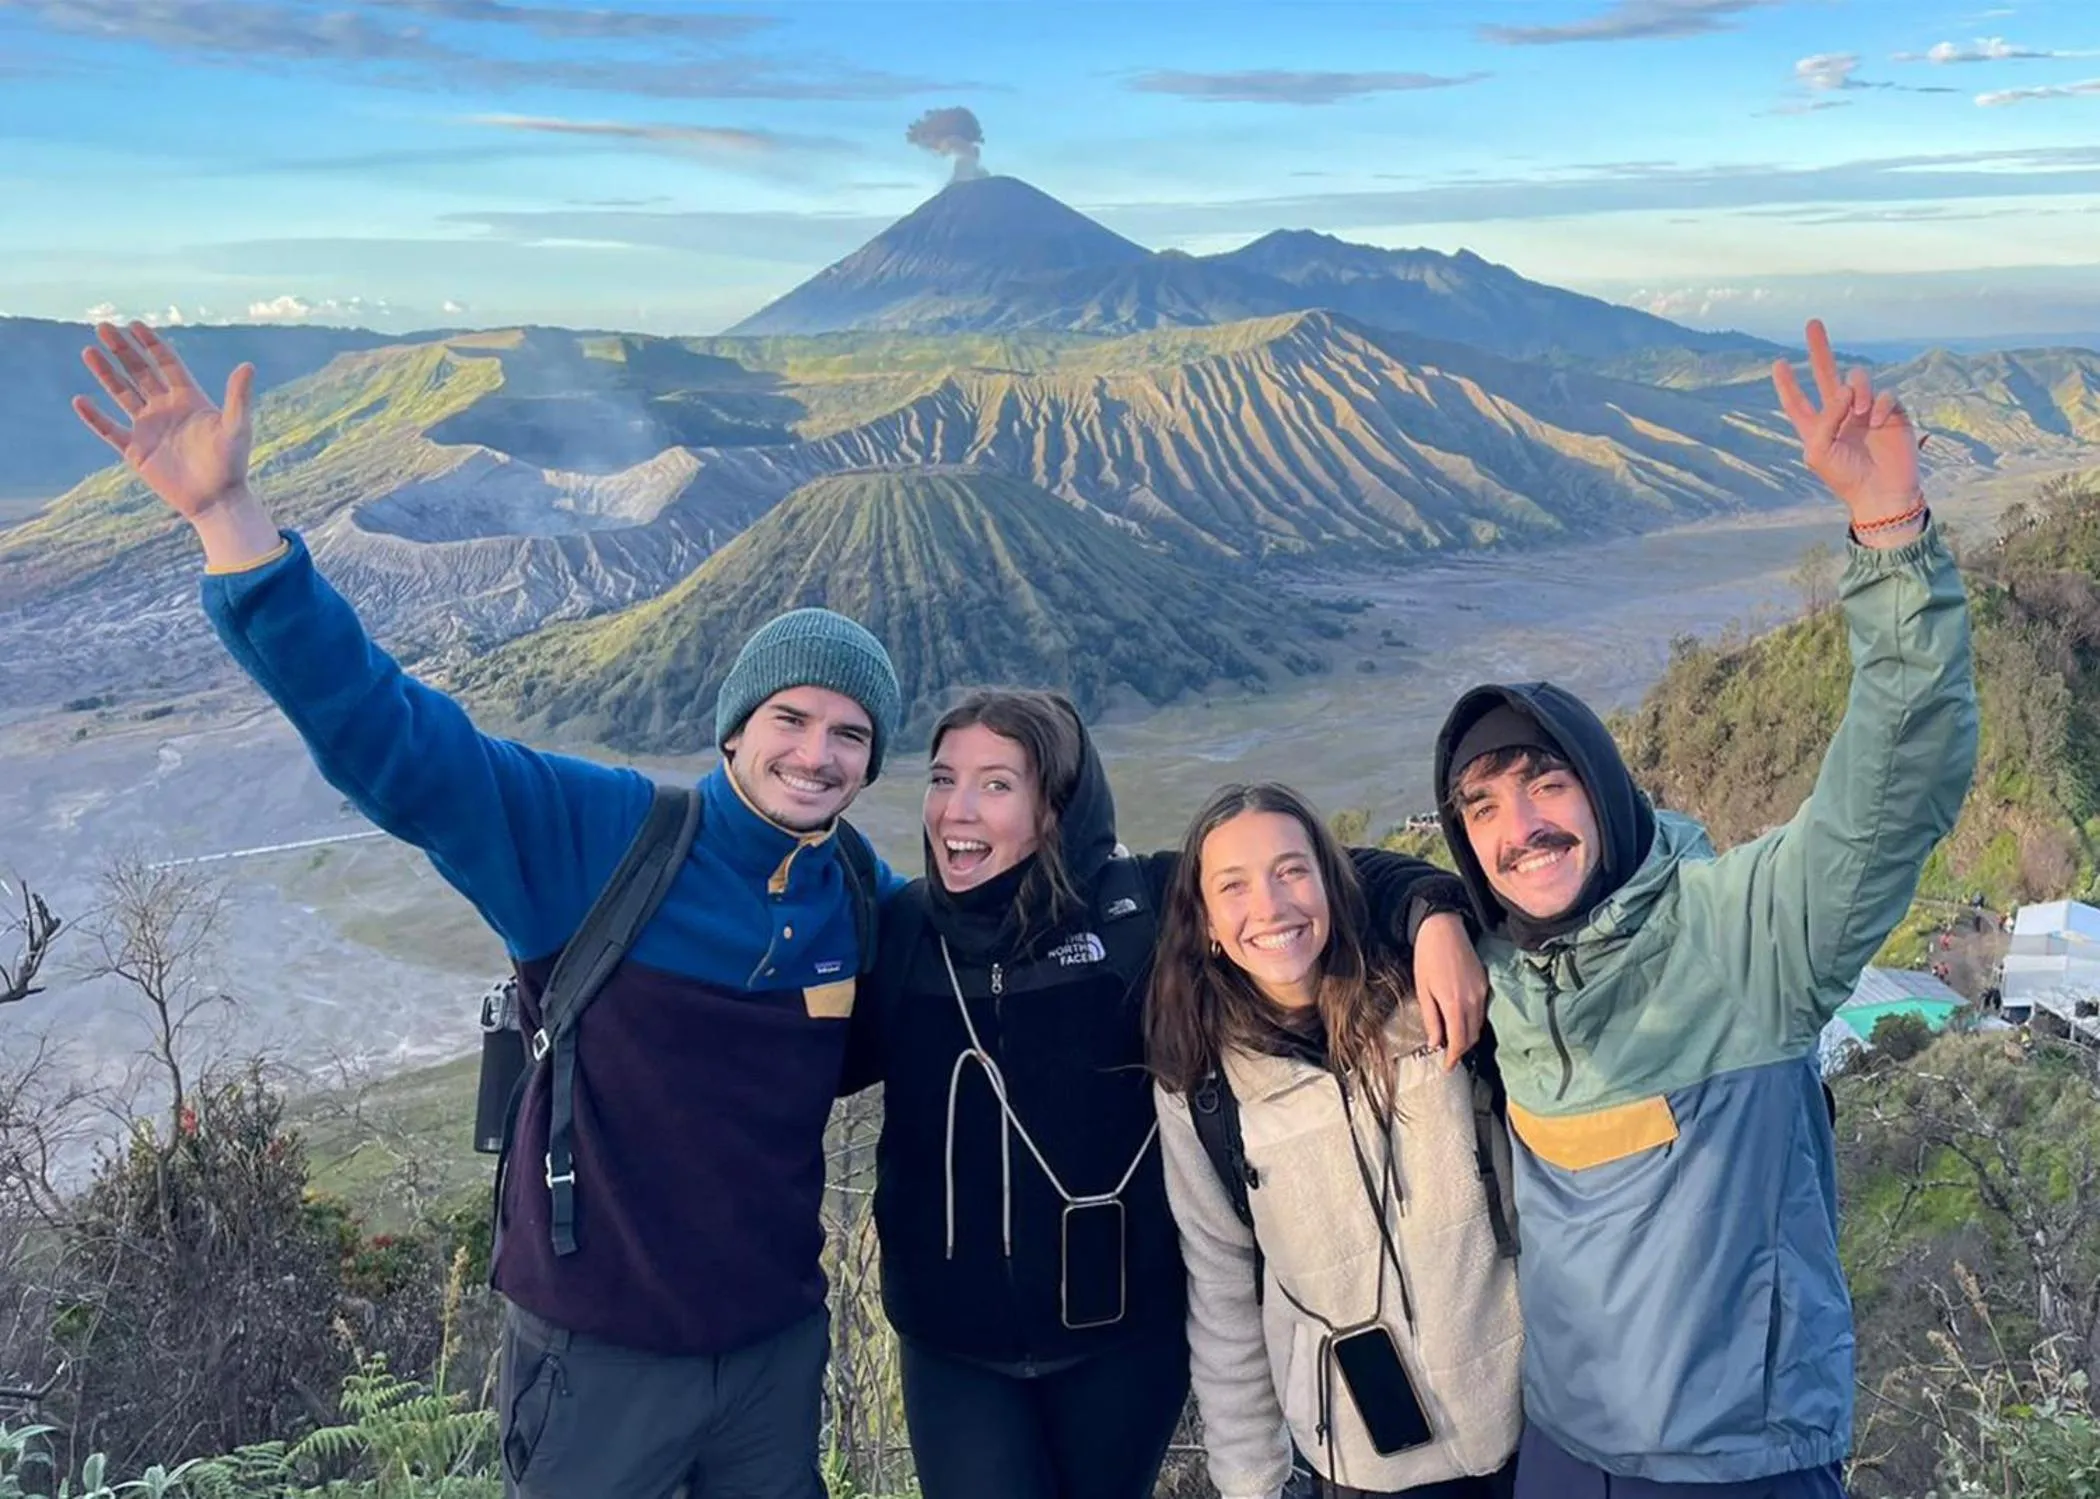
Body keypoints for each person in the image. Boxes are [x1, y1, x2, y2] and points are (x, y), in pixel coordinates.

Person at [70, 321, 907, 1499]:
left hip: (773, 1359)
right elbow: (400, 744)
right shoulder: (605, 838)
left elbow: (1006, 953)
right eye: (791, 719)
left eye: (849, 734)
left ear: (871, 763)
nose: (816, 754)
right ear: (734, 728)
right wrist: (230, 523)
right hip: (598, 1361)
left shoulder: (861, 900)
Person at [1431, 319, 1979, 1498]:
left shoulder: (1738, 938)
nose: (1518, 825)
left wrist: (1889, 535)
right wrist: (1417, 905)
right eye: (1481, 806)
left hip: (1738, 1464)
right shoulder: (1502, 970)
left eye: (1546, 780)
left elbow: (1894, 787)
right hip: (1566, 1448)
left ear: (1606, 785)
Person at [843, 693, 1489, 1499]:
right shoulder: (905, 930)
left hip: (1125, 1342)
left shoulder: (1140, 909)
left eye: (996, 784)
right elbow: (796, 1060)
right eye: (942, 778)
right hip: (954, 1345)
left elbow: (1315, 874)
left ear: (1056, 807)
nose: (955, 809)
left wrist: (1434, 916)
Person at [1147, 782, 1523, 1499]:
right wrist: (1253, 1484)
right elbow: (1223, 1289)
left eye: (1291, 869)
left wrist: (1435, 910)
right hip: (1363, 1464)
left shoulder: (1432, 992)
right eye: (1234, 886)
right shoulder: (1201, 1085)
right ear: (1206, 927)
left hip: (1532, 1416)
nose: (1271, 905)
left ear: (1330, 879)